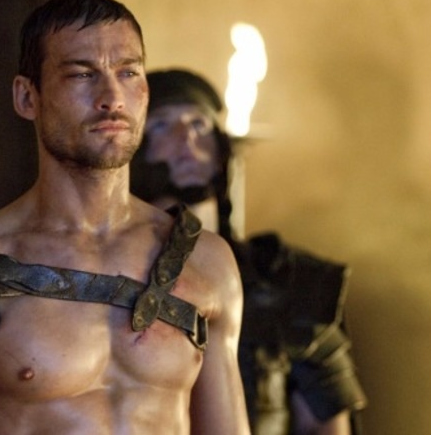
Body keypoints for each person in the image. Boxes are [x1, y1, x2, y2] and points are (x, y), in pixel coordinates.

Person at [0, 0, 251, 434]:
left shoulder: (205, 261)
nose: (111, 98)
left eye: (128, 72)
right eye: (82, 74)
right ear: (28, 97)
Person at [130, 68, 368, 434]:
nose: (187, 137)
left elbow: (326, 424)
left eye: (199, 123)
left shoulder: (285, 279)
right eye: (161, 125)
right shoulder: (117, 272)